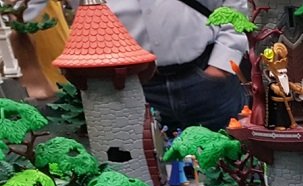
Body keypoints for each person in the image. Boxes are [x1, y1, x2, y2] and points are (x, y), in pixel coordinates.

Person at [26, 0, 248, 130]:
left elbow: (234, 6)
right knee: (142, 173)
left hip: (207, 78)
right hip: (128, 84)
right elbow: (24, 11)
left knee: (231, 166)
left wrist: (222, 63)